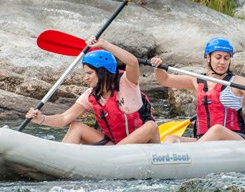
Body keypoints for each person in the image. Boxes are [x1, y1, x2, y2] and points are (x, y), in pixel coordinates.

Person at [26, 37, 160, 145]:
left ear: (103, 72)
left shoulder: (127, 82)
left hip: (144, 145)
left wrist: (104, 44)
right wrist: (42, 119)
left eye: (89, 73)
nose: (86, 77)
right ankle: (61, 161)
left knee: (151, 126)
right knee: (76, 127)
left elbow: (133, 63)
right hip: (114, 146)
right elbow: (63, 119)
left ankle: (114, 154)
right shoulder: (91, 95)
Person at [150, 37, 245, 143]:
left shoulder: (237, 82)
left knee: (217, 129)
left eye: (226, 58)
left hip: (234, 139)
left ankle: (193, 153)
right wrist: (158, 68)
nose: (222, 62)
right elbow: (165, 80)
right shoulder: (197, 80)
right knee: (171, 139)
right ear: (208, 58)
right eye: (218, 57)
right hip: (204, 140)